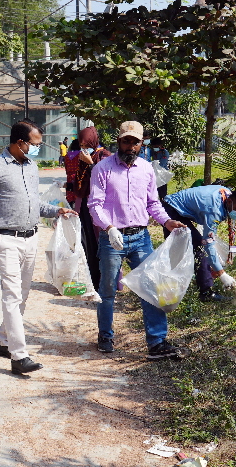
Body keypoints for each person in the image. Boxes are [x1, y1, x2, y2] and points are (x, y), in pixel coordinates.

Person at [0, 121, 78, 375]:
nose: (37, 148)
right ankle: (19, 356)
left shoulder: (32, 167)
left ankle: (4, 341)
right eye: (35, 144)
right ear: (20, 143)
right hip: (6, 240)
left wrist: (57, 210)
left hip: (30, 239)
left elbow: (34, 203)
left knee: (23, 295)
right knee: (12, 296)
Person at [87, 121, 187, 360]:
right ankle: (105, 336)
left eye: (135, 142)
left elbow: (153, 203)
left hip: (141, 237)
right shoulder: (102, 168)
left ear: (142, 144)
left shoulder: (146, 169)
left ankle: (157, 342)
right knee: (108, 289)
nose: (130, 146)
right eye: (126, 141)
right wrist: (109, 228)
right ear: (118, 140)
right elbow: (94, 205)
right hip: (112, 239)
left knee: (150, 287)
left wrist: (167, 222)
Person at [162, 186, 236, 302]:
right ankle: (205, 293)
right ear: (230, 201)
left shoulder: (226, 194)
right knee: (197, 247)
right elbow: (208, 243)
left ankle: (191, 281)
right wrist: (222, 274)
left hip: (177, 207)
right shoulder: (214, 211)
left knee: (189, 247)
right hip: (172, 210)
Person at [70, 126, 112, 291]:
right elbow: (78, 184)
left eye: (85, 144)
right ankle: (93, 280)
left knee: (101, 241)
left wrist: (91, 164)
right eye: (81, 145)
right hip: (86, 207)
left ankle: (107, 280)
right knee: (88, 243)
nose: (83, 148)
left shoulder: (105, 156)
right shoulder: (84, 156)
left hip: (102, 207)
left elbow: (107, 181)